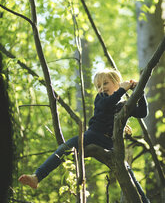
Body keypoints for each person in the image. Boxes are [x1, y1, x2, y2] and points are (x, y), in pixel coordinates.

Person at [19, 68, 148, 195]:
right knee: (64, 148)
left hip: (111, 143)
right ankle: (37, 177)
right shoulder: (101, 98)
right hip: (93, 135)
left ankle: (143, 199)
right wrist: (122, 90)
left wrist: (140, 93)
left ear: (117, 82)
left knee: (127, 172)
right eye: (98, 86)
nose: (101, 88)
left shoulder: (123, 105)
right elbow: (107, 104)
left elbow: (142, 113)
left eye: (105, 83)